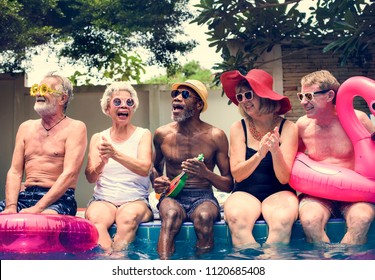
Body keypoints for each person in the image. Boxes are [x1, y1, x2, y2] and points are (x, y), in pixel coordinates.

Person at [152, 79, 233, 259]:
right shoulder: (162, 134)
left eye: (185, 95)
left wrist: (205, 173)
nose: (177, 98)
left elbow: (229, 184)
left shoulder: (215, 136)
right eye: (175, 94)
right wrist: (157, 181)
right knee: (171, 215)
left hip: (203, 196)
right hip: (172, 195)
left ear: (198, 104)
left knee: (204, 217)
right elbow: (154, 168)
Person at [220, 69, 299, 248]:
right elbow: (238, 175)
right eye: (240, 97)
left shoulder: (289, 128)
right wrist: (259, 154)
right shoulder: (238, 127)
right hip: (245, 192)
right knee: (236, 220)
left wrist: (275, 150)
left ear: (264, 95)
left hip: (279, 191)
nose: (244, 101)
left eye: (248, 94)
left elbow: (284, 178)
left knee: (282, 221)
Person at [296, 70, 375, 244]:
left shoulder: (357, 119)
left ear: (330, 95)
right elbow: (296, 159)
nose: (303, 102)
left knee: (361, 219)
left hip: (356, 193)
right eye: (301, 95)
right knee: (310, 221)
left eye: (309, 95)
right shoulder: (302, 126)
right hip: (318, 194)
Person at [0, 72, 87, 215]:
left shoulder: (75, 128)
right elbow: (15, 172)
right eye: (36, 89)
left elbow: (70, 173)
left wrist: (38, 208)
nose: (39, 94)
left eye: (45, 90)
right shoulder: (25, 127)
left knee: (45, 219)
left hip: (60, 199)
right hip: (25, 196)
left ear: (62, 98)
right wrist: (11, 206)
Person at [85, 81, 153, 253]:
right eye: (117, 102)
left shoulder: (143, 134)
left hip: (135, 199)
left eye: (129, 102)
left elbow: (145, 168)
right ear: (107, 109)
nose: (124, 105)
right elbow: (90, 177)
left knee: (127, 218)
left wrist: (115, 154)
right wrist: (102, 162)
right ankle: (110, 259)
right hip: (104, 199)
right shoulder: (98, 138)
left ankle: (118, 259)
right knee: (95, 219)